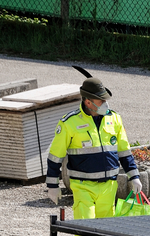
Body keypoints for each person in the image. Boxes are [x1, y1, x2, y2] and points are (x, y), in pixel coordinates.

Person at [46, 76, 141, 219]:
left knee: (106, 231)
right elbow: (55, 155)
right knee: (86, 228)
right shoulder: (69, 123)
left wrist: (134, 176)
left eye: (105, 100)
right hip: (83, 187)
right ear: (88, 102)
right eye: (101, 101)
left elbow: (124, 151)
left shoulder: (114, 119)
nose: (105, 104)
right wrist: (52, 185)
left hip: (109, 187)